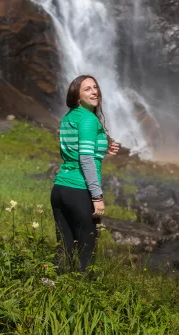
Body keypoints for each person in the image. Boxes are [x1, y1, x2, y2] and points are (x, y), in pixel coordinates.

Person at [50, 75, 119, 273]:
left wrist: (103, 146)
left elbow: (72, 149)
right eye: (87, 89)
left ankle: (52, 292)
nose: (94, 91)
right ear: (77, 96)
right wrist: (97, 196)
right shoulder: (89, 119)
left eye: (95, 87)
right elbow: (86, 159)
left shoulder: (69, 117)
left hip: (60, 189)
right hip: (79, 190)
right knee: (86, 254)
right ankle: (82, 296)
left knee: (64, 250)